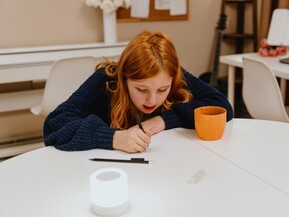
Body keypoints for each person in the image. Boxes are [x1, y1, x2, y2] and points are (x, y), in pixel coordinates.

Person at [43, 31, 233, 153]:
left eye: (163, 90)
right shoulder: (107, 79)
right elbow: (53, 125)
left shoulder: (172, 73)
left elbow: (222, 106)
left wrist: (163, 120)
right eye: (141, 89)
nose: (152, 99)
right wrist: (115, 138)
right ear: (125, 79)